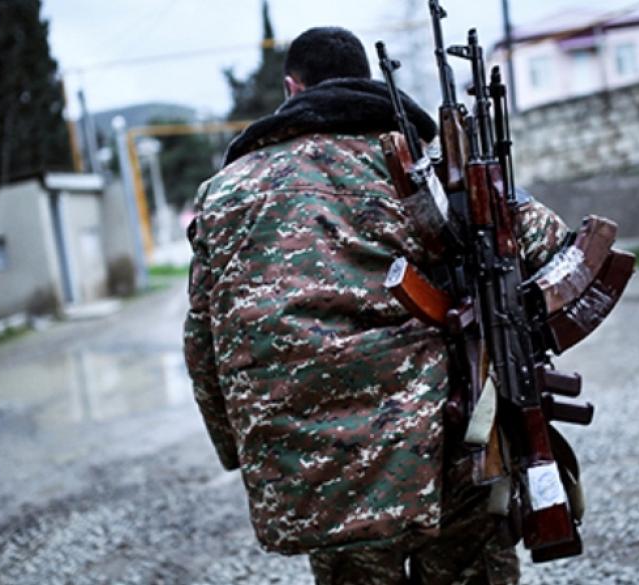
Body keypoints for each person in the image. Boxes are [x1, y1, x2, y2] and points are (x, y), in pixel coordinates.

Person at [184, 26, 569, 585]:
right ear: (365, 81)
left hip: (317, 467)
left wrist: (242, 447)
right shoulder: (426, 169)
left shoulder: (224, 194)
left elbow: (203, 346)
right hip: (449, 447)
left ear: (292, 89)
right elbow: (556, 251)